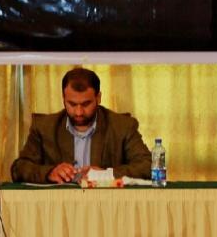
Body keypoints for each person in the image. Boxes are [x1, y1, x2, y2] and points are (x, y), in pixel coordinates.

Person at [11, 68, 151, 183]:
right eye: (72, 104)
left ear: (98, 98)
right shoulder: (44, 127)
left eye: (86, 104)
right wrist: (49, 173)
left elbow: (148, 166)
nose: (79, 112)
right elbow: (19, 169)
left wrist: (105, 174)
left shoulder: (122, 126)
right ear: (63, 98)